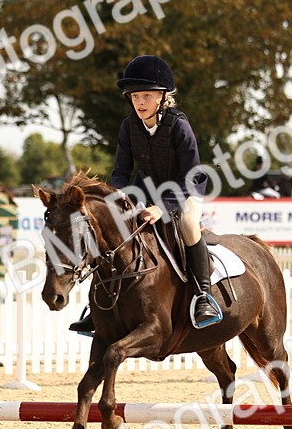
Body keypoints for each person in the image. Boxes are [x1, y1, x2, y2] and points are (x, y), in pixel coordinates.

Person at [69, 55, 221, 335]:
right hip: (145, 187)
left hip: (184, 188)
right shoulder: (129, 126)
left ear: (163, 97)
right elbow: (120, 171)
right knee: (111, 232)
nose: (139, 102)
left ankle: (203, 296)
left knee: (187, 225)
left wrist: (162, 209)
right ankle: (97, 308)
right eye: (135, 96)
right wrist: (117, 199)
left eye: (146, 96)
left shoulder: (179, 126)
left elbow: (191, 174)